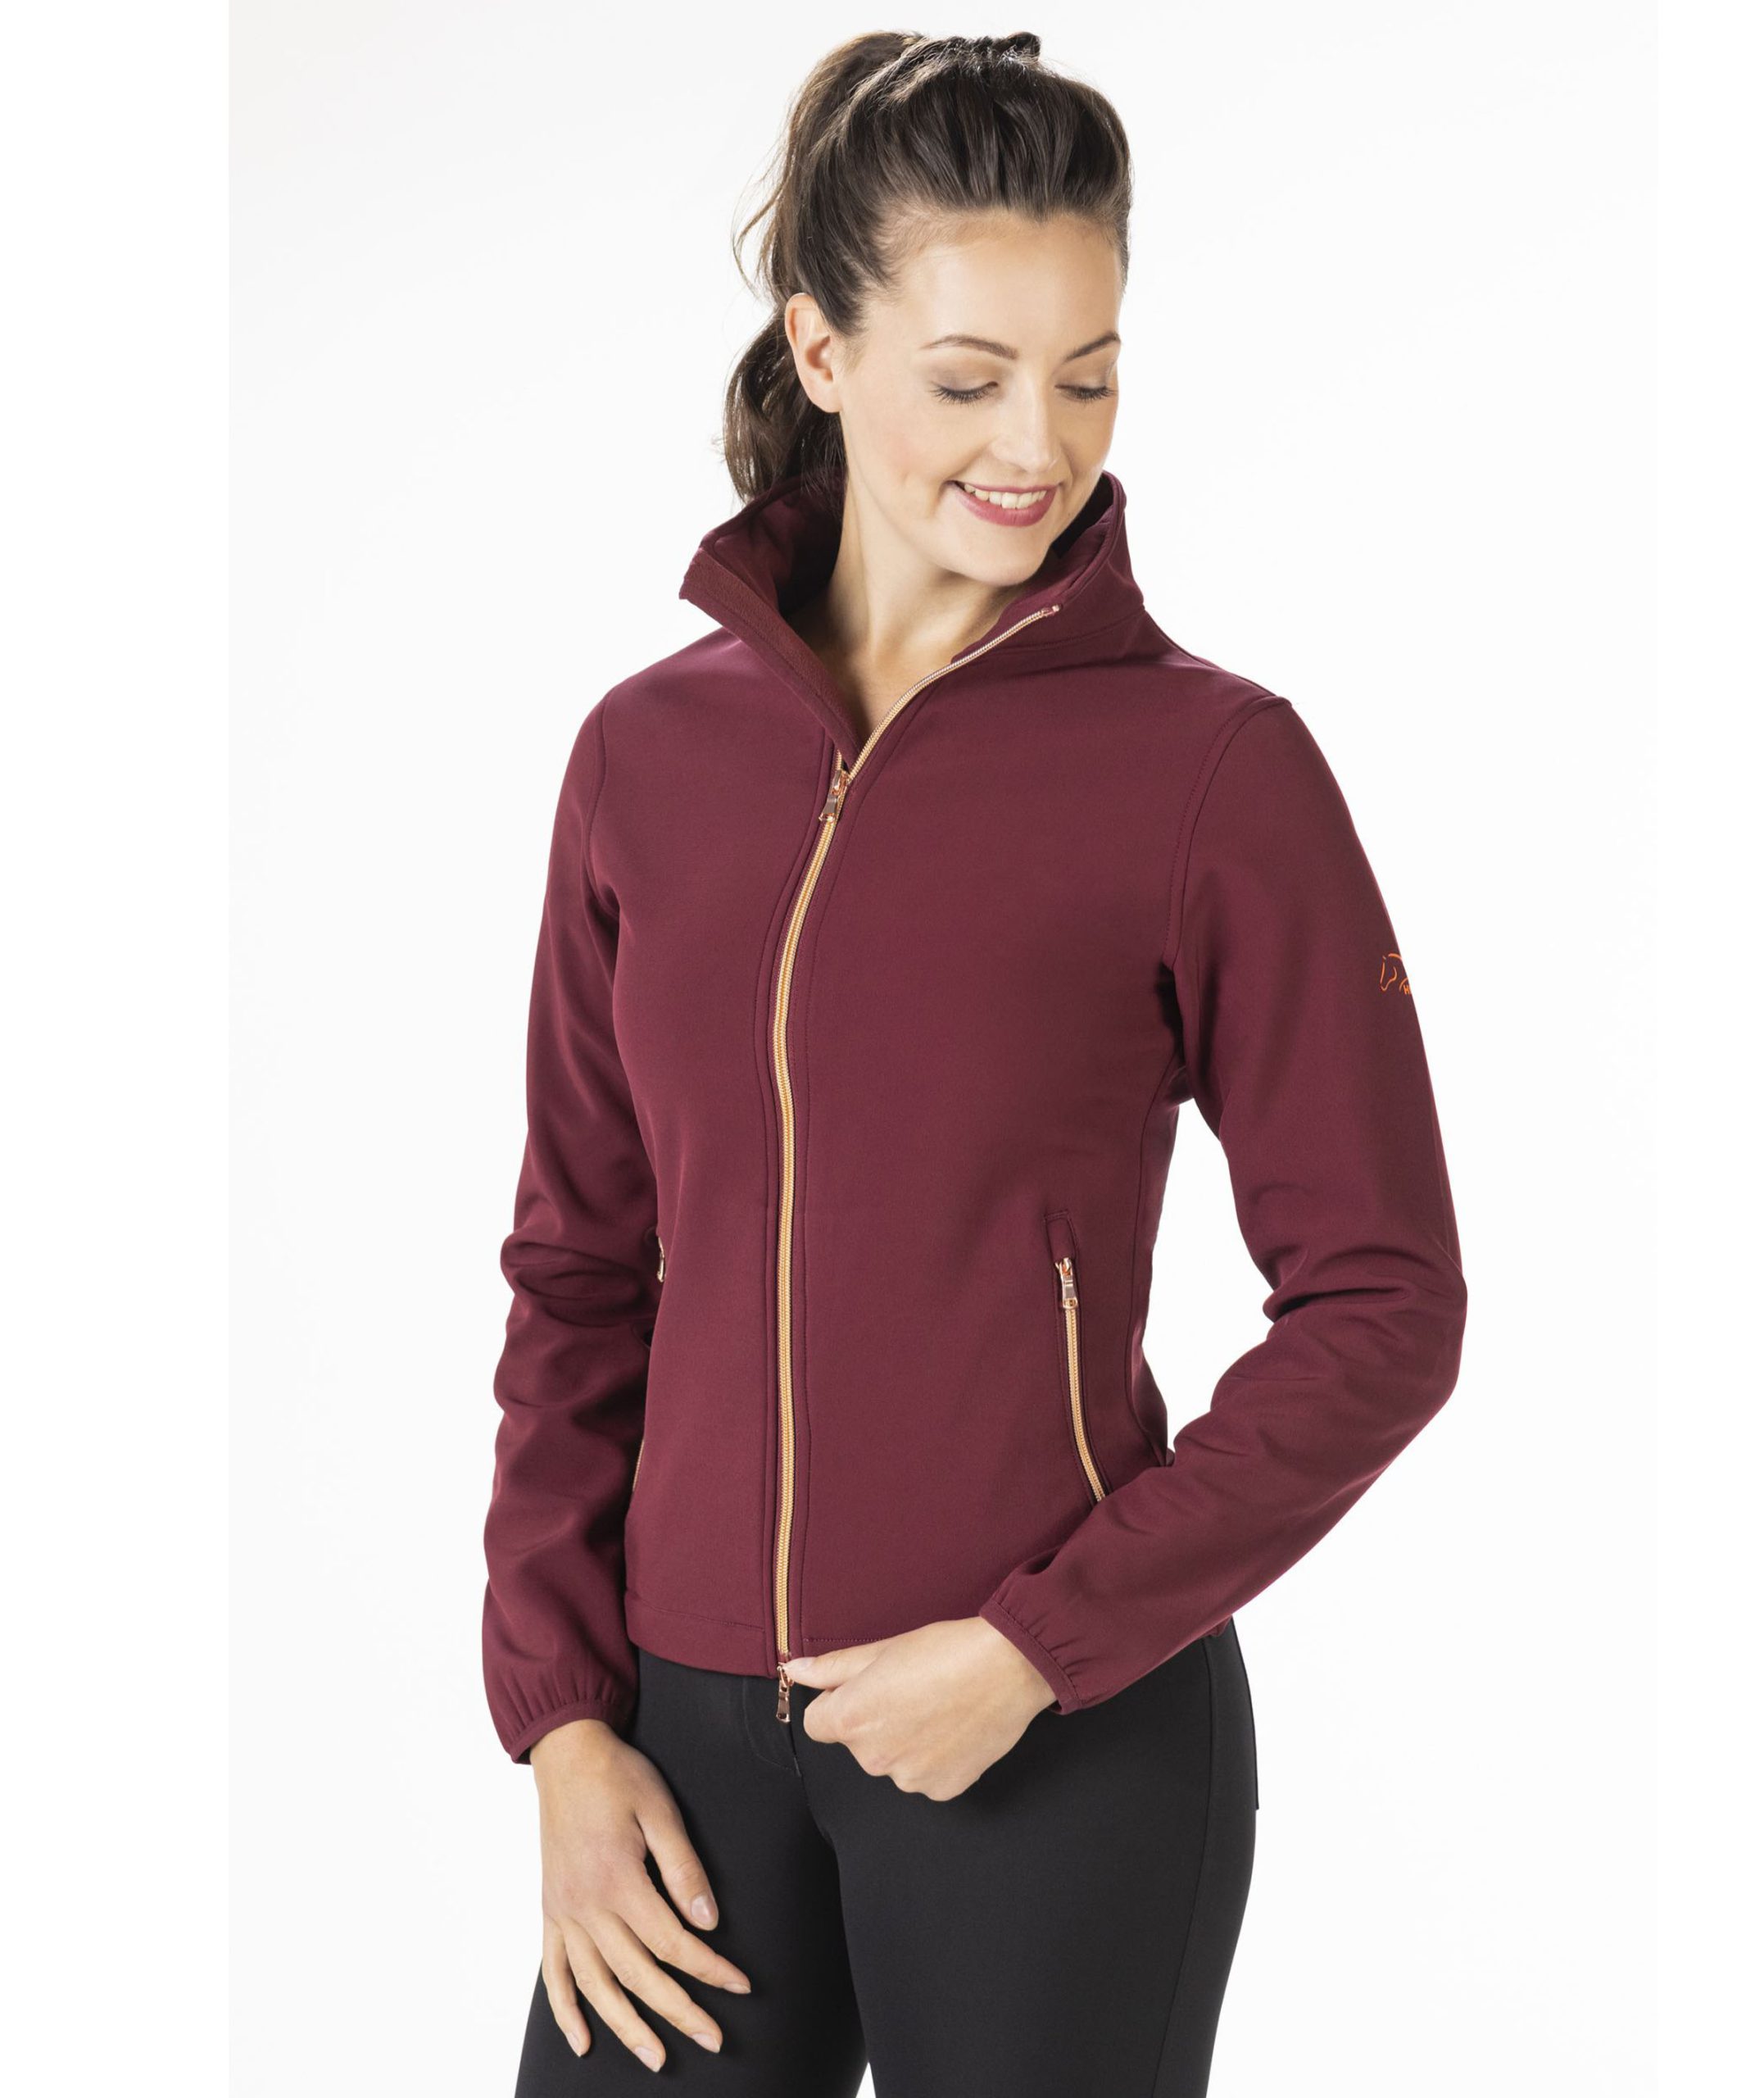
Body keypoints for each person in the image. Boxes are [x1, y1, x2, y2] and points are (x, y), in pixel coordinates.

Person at [483, 30, 1467, 2097]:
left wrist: (1037, 1641)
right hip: (679, 1747)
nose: (1039, 444)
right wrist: (562, 1719)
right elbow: (577, 1268)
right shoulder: (645, 760)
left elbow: (1383, 1301)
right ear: (821, 349)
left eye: (1087, 376)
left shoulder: (1209, 769)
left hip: (1052, 1746)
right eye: (968, 378)